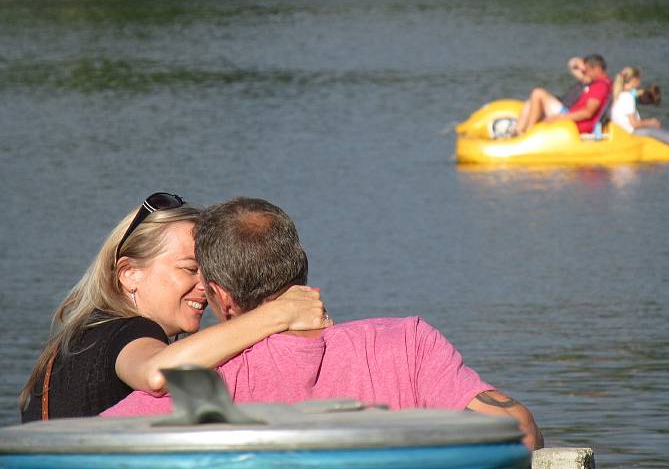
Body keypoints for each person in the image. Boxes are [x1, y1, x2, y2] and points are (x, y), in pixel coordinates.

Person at [103, 197, 544, 450]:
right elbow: (519, 428)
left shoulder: (204, 382)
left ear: (220, 295)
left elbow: (86, 450)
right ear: (303, 265)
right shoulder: (408, 343)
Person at [19, 192, 329, 422]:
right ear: (129, 274)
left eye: (206, 274)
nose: (204, 287)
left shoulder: (88, 335)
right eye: (189, 269)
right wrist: (279, 313)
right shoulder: (123, 331)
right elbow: (157, 374)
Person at [513, 54, 612, 136]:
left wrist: (559, 117)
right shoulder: (594, 82)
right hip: (569, 115)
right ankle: (518, 132)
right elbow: (573, 64)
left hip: (572, 122)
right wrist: (580, 63)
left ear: (597, 69)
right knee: (531, 101)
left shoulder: (600, 86)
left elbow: (588, 113)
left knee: (538, 93)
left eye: (586, 71)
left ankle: (530, 133)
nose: (584, 73)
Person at [610, 67, 669, 160]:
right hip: (631, 132)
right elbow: (635, 124)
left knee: (659, 131)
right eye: (639, 79)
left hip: (622, 131)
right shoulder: (627, 97)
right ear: (634, 80)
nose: (640, 82)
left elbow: (637, 95)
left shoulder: (618, 95)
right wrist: (651, 122)